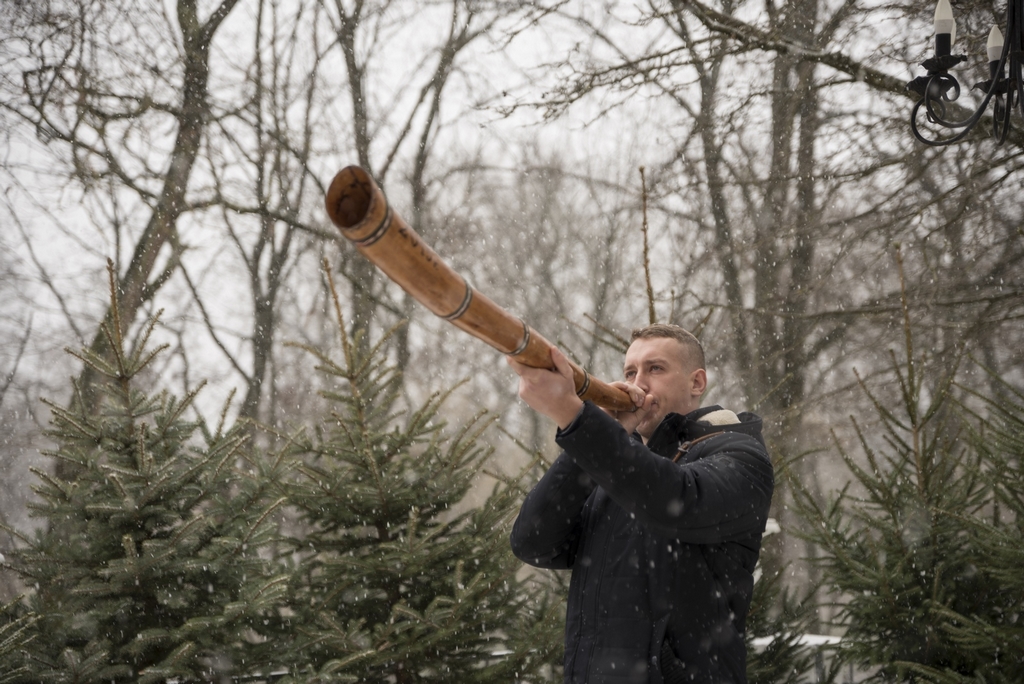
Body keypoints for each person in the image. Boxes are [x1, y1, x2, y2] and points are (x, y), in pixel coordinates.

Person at [508, 324, 774, 684]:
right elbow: (533, 543)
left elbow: (675, 499)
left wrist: (575, 417)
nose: (639, 383)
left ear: (697, 383)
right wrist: (594, 436)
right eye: (630, 372)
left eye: (655, 368)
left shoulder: (741, 456)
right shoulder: (615, 471)